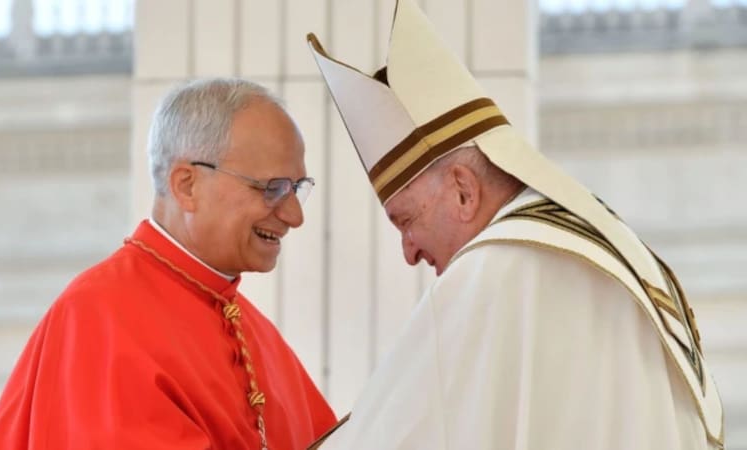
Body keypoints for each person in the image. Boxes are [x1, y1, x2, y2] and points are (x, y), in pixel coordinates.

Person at [305, 0, 724, 449]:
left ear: (464, 191)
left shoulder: (494, 274)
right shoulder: (617, 255)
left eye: (405, 221)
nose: (409, 251)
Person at [0, 78, 336, 450]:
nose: (294, 216)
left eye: (297, 189)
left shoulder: (253, 329)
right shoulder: (100, 317)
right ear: (187, 185)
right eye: (273, 188)